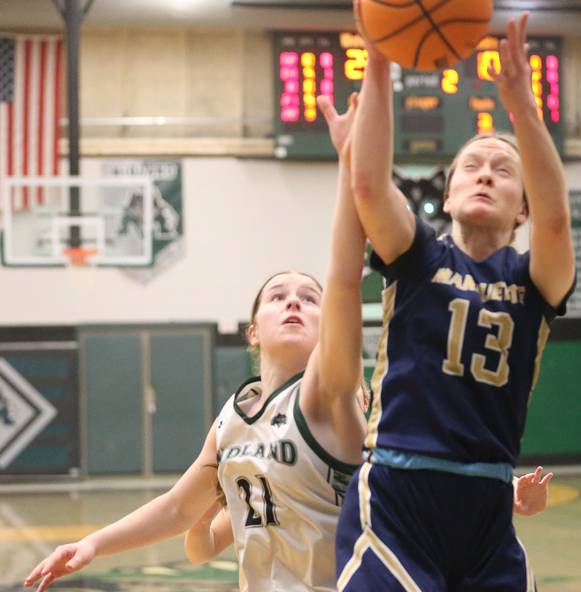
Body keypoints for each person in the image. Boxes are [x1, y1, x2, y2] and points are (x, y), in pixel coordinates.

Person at [24, 94, 367, 592]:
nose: (294, 303)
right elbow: (179, 507)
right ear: (252, 331)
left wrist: (349, 166)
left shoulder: (327, 392)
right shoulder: (233, 417)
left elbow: (344, 280)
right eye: (278, 296)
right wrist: (93, 544)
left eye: (310, 299)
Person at [336, 6, 574, 591]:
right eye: (472, 167)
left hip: (487, 500)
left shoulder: (533, 280)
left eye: (503, 170)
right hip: (397, 490)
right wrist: (380, 59)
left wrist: (521, 107)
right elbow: (368, 185)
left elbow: (557, 225)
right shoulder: (419, 256)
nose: (486, 174)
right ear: (447, 196)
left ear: (523, 207)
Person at [183, 466, 555, 565]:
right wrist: (199, 521)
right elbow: (203, 549)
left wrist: (514, 495)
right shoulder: (267, 471)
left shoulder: (376, 469)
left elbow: (452, 493)